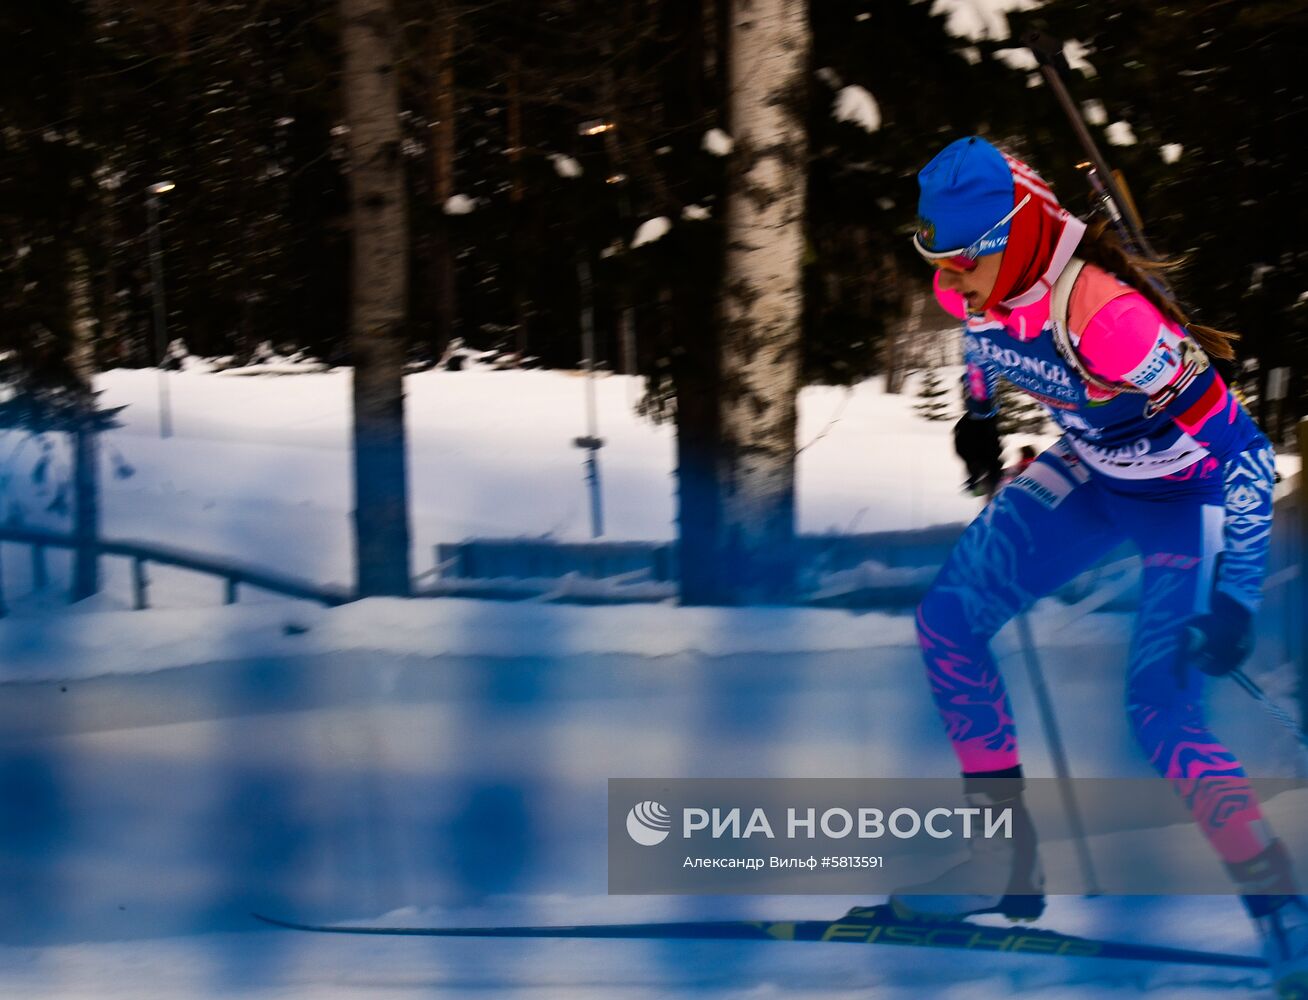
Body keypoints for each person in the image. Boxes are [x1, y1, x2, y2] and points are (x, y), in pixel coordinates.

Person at [891, 136, 1301, 994]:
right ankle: (1004, 861)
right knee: (949, 623)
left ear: (1021, 234)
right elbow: (984, 337)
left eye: (963, 258)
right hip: (1088, 473)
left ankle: (1282, 912)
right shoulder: (978, 282)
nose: (948, 278)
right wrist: (977, 414)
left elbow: (1249, 458)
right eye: (936, 256)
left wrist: (1235, 597)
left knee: (1159, 714)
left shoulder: (1110, 318)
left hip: (1179, 504)